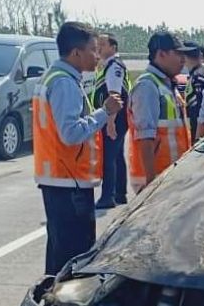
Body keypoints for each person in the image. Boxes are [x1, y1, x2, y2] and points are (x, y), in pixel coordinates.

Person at [33, 22, 122, 275]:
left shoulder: (55, 77)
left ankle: (50, 300)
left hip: (60, 178)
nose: (98, 56)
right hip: (68, 181)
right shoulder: (64, 84)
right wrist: (104, 113)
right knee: (74, 256)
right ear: (76, 53)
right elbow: (70, 133)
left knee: (60, 253)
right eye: (94, 50)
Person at [127, 31, 193, 191]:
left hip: (170, 177)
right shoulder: (148, 86)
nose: (183, 60)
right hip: (156, 181)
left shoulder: (167, 84)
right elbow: (145, 137)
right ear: (161, 54)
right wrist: (151, 183)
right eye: (178, 54)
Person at [91, 33, 131, 209]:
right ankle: (120, 193)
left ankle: (108, 196)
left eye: (102, 44)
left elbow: (114, 95)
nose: (98, 47)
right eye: (97, 44)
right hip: (115, 116)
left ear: (113, 48)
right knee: (116, 155)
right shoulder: (107, 66)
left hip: (114, 117)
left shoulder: (114, 66)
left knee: (109, 156)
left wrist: (110, 122)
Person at [181, 41, 204, 141]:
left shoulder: (198, 78)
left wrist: (196, 138)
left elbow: (200, 111)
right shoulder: (196, 75)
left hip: (197, 133)